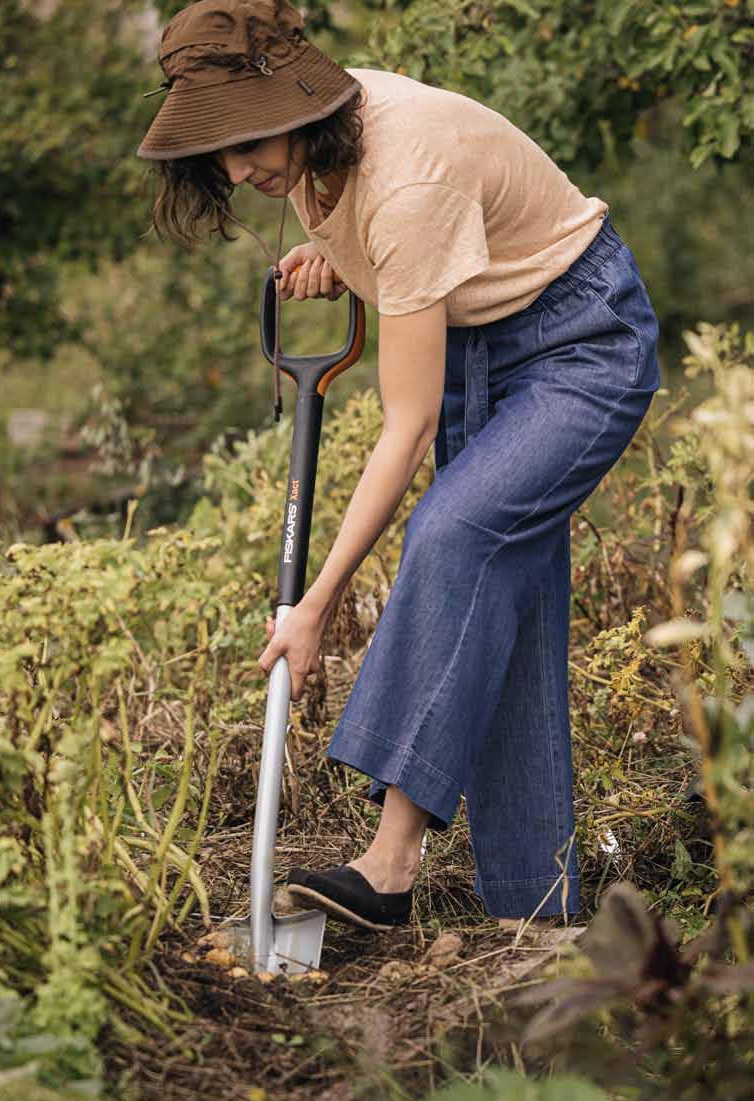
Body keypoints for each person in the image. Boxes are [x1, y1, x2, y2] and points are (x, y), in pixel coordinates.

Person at [137, 0, 661, 933]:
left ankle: (390, 862)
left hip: (581, 345)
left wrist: (317, 603)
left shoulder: (407, 174)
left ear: (294, 105)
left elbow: (407, 425)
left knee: (453, 535)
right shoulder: (320, 151)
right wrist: (340, 256)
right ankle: (537, 925)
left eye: (247, 141)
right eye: (220, 151)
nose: (239, 169)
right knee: (499, 614)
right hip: (479, 349)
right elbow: (392, 236)